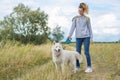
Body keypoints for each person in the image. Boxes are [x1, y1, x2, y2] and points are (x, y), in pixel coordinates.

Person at [68, 2, 93, 73]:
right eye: (79, 10)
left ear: (84, 10)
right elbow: (72, 27)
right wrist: (69, 35)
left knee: (86, 52)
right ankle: (77, 67)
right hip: (78, 37)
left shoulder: (87, 19)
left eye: (81, 11)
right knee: (77, 52)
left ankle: (89, 67)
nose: (80, 12)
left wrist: (91, 38)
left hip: (86, 37)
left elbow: (90, 29)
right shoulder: (75, 18)